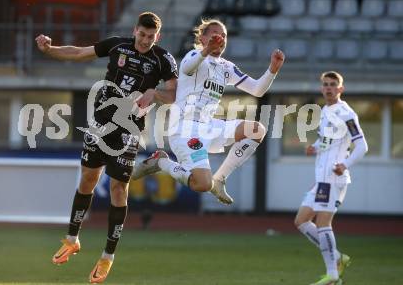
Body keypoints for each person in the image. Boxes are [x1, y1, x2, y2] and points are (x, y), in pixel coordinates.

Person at [35, 12, 178, 284]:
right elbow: (79, 52)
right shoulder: (117, 46)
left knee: (117, 188)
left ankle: (107, 256)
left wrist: (155, 93)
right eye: (142, 34)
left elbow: (173, 93)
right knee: (88, 178)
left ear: (157, 36)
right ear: (135, 30)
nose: (146, 40)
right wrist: (49, 49)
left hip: (128, 130)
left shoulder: (163, 59)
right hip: (99, 123)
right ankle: (72, 238)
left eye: (151, 36)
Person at [133, 18, 285, 205]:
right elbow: (188, 68)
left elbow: (257, 90)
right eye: (215, 34)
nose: (220, 38)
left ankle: (220, 179)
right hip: (185, 129)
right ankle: (162, 161)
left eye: (224, 35)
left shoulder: (226, 67)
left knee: (256, 130)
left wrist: (272, 70)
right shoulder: (193, 56)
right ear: (203, 38)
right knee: (202, 184)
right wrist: (205, 51)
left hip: (209, 126)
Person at [294, 71, 368, 285]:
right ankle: (337, 257)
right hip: (322, 178)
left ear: (340, 89)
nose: (328, 88)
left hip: (334, 178)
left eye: (333, 85)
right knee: (301, 220)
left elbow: (362, 145)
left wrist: (344, 164)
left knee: (323, 223)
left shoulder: (347, 113)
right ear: (321, 88)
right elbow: (326, 141)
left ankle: (333, 276)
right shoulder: (326, 110)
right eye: (325, 84)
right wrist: (315, 148)